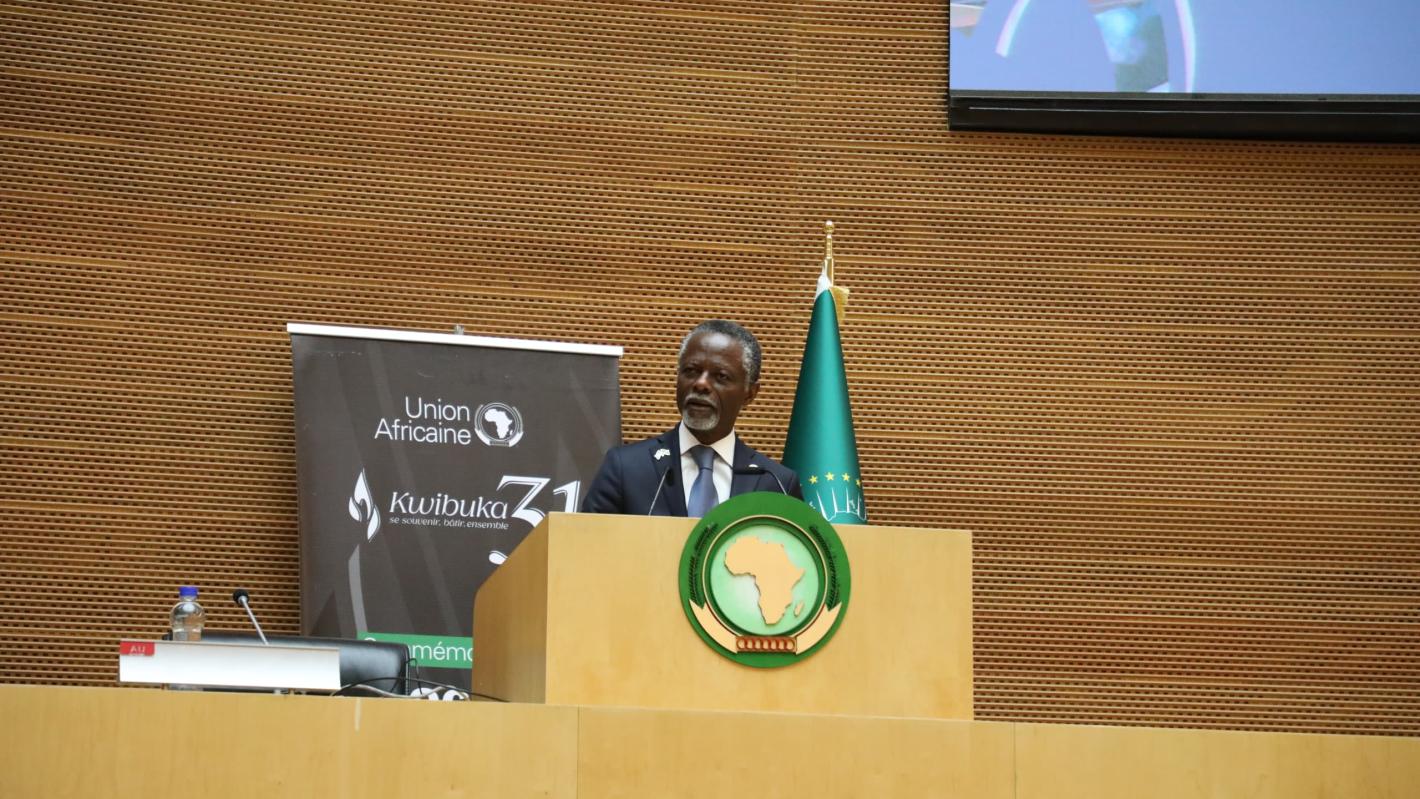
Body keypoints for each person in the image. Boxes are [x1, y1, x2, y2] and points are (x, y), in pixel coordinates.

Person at [581, 319, 803, 516]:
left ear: (749, 394)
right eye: (691, 371)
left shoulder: (776, 484)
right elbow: (587, 545)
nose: (701, 384)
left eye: (721, 376)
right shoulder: (625, 468)